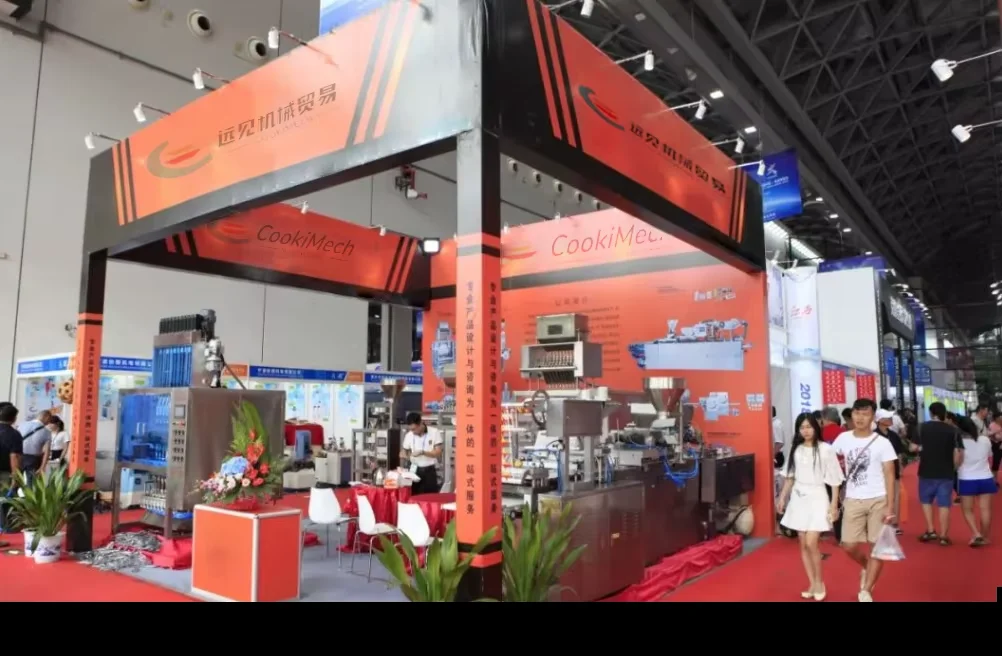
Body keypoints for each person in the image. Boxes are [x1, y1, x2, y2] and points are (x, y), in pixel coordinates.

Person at [832, 398, 897, 603]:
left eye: (865, 414)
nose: (860, 418)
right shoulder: (843, 439)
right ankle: (867, 566)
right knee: (848, 545)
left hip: (878, 499)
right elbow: (830, 461)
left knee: (877, 546)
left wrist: (890, 505)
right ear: (851, 415)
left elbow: (889, 474)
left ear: (873, 417)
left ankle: (866, 589)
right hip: (853, 499)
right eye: (857, 413)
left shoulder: (883, 443)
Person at [777, 413, 843, 601]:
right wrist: (782, 498)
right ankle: (812, 583)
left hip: (818, 496)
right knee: (802, 542)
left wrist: (834, 505)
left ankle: (820, 582)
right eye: (802, 427)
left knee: (811, 542)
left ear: (816, 427)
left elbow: (835, 480)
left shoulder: (825, 449)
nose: (805, 431)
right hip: (798, 498)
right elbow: (790, 476)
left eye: (808, 427)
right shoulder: (796, 450)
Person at [913, 402, 963, 545]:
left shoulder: (921, 427)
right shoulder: (954, 430)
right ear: (944, 414)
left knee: (926, 502)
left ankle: (930, 531)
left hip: (926, 471)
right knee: (944, 504)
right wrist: (954, 468)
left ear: (930, 413)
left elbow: (913, 447)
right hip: (946, 472)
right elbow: (957, 453)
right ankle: (943, 536)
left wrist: (922, 448)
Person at [955, 415, 996, 547]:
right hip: (986, 478)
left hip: (967, 479)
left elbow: (957, 462)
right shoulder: (985, 439)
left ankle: (976, 534)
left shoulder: (959, 442)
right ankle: (984, 537)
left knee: (967, 510)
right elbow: (990, 457)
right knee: (986, 509)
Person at [874, 409, 905, 535]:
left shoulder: (894, 436)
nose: (891, 419)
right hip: (877, 473)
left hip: (893, 470)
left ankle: (894, 524)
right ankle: (879, 524)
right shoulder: (873, 436)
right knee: (880, 498)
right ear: (880, 420)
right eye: (887, 418)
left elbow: (899, 453)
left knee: (895, 497)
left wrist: (901, 468)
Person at [401, 412, 443, 495]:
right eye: (411, 429)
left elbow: (438, 452)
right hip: (414, 470)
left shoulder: (434, 432)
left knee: (430, 497)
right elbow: (403, 451)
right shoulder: (409, 435)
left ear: (420, 423)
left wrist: (423, 452)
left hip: (429, 471)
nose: (413, 432)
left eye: (414, 429)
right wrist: (404, 455)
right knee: (414, 497)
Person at [0, 404, 23, 487]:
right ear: (14, 419)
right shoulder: (14, 434)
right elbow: (15, 456)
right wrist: (15, 478)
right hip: (4, 474)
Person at [989, 412, 1002, 481]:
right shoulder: (992, 425)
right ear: (996, 418)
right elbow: (996, 437)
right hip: (996, 445)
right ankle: (994, 479)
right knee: (996, 462)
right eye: (999, 417)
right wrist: (997, 432)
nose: (1000, 418)